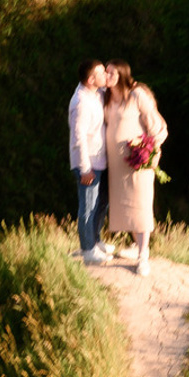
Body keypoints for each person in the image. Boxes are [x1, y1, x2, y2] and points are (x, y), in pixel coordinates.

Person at [104, 60, 168, 277]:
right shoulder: (107, 98)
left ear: (121, 74)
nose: (107, 74)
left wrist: (150, 152)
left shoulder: (136, 95)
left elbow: (157, 126)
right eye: (105, 71)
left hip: (137, 162)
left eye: (111, 72)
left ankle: (143, 256)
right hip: (117, 165)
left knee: (140, 205)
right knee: (125, 207)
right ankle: (135, 246)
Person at [67, 58, 113, 265]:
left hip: (100, 160)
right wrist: (85, 168)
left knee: (101, 203)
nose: (106, 75)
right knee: (88, 207)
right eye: (102, 72)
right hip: (88, 163)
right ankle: (87, 250)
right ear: (91, 79)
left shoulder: (96, 94)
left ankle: (94, 240)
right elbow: (79, 138)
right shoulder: (81, 102)